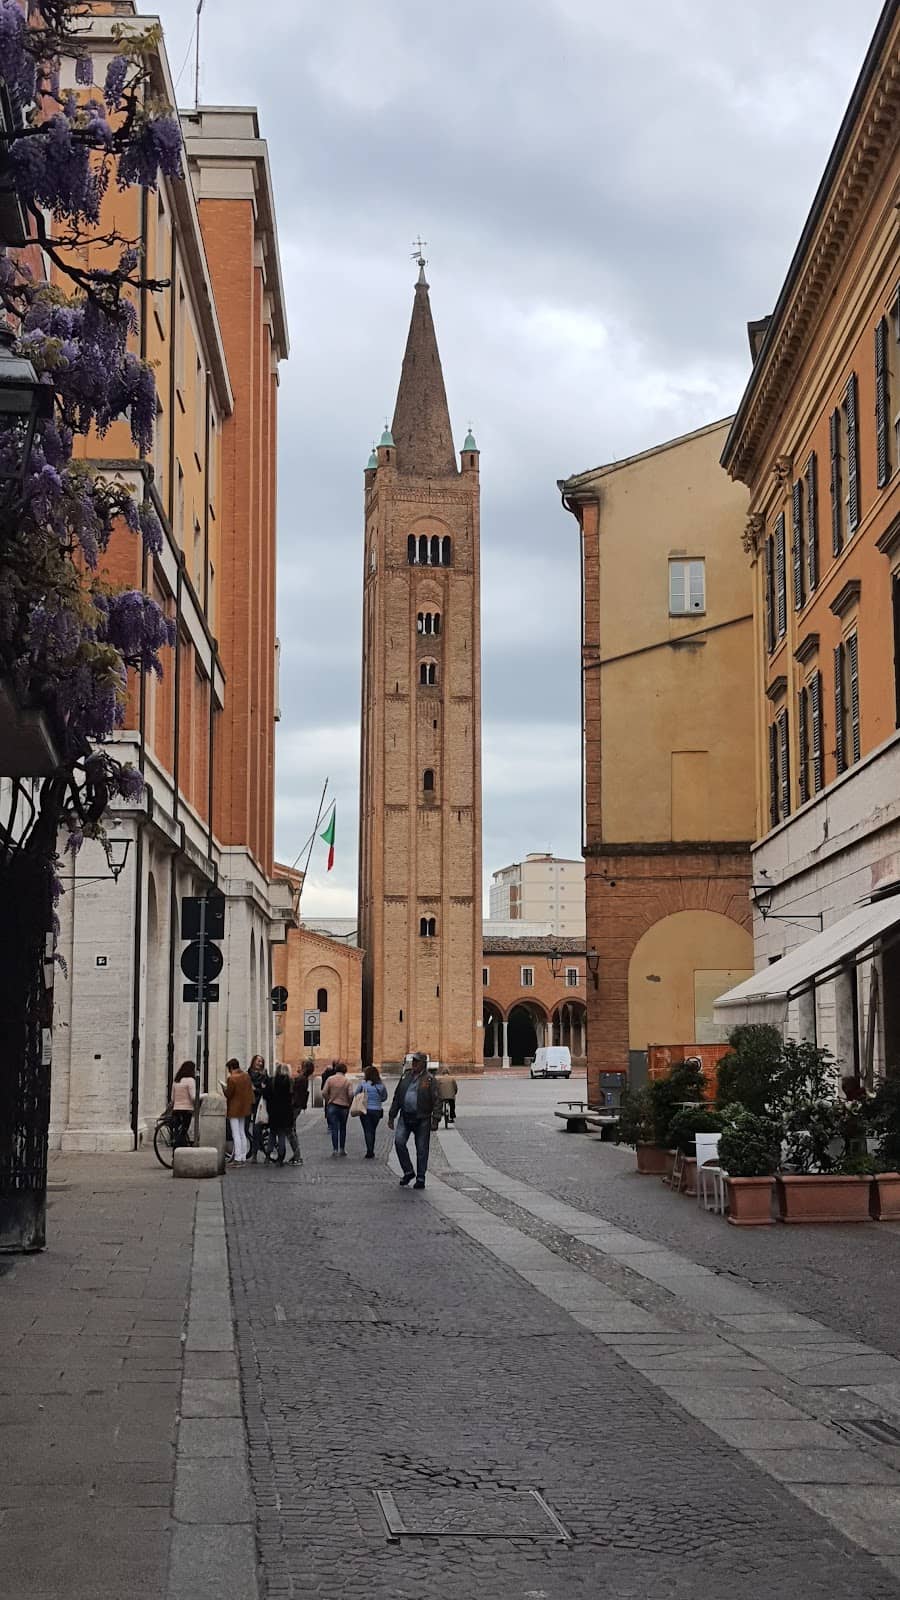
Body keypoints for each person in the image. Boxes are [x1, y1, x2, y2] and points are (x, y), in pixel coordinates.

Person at [388, 1053, 441, 1189]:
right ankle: (408, 1171)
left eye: (417, 1062)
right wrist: (392, 1115)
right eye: (413, 1061)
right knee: (399, 1142)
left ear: (423, 1063)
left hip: (422, 1118)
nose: (414, 1064)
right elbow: (397, 1096)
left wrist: (435, 1119)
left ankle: (421, 1178)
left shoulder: (430, 1079)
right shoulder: (405, 1076)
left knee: (422, 1149)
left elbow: (436, 1100)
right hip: (405, 1116)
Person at [262, 1063, 294, 1165]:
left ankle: (268, 1156)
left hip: (273, 1112)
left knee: (272, 1134)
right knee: (281, 1135)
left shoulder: (272, 1081)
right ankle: (280, 1158)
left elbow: (266, 1096)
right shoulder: (289, 1082)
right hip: (285, 1112)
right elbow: (292, 1098)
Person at [224, 1058, 253, 1163]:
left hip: (234, 1108)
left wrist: (224, 1089)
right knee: (242, 1132)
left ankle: (237, 1157)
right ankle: (243, 1156)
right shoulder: (246, 1076)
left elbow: (228, 1094)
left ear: (231, 1068)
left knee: (235, 1133)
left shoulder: (232, 1079)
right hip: (244, 1107)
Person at [323, 1061, 354, 1156]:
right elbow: (351, 1094)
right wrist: (349, 1103)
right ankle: (342, 1149)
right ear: (345, 1071)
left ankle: (335, 1149)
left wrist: (328, 1100)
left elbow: (324, 1092)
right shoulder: (347, 1081)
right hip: (344, 1107)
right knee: (343, 1128)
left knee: (334, 1128)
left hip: (332, 1105)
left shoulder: (330, 1079)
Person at [357, 1065, 388, 1158]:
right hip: (377, 1111)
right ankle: (371, 1149)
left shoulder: (363, 1084)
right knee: (372, 1130)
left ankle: (369, 1151)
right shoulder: (381, 1085)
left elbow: (356, 1094)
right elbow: (384, 1097)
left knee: (367, 1130)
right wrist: (377, 1101)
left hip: (365, 1110)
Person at [287, 1060, 313, 1165]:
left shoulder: (300, 1079)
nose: (298, 1066)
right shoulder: (303, 1079)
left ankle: (297, 1156)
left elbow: (292, 1090)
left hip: (295, 1106)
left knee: (291, 1131)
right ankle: (296, 1155)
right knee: (292, 1130)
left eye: (301, 1065)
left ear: (304, 1068)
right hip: (297, 1106)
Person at [171, 1060, 197, 1147]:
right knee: (183, 1131)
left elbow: (173, 1098)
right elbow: (193, 1096)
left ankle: (176, 1152)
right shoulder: (190, 1080)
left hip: (176, 1109)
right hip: (187, 1109)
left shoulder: (177, 1081)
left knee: (178, 1131)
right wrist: (205, 1095)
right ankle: (180, 1148)